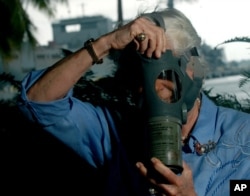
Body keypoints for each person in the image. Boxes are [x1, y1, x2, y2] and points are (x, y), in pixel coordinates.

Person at [17, 7, 250, 196]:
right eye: (140, 72)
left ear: (194, 69)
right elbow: (38, 101)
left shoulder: (243, 137)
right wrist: (105, 44)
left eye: (163, 66)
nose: (152, 86)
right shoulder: (113, 132)